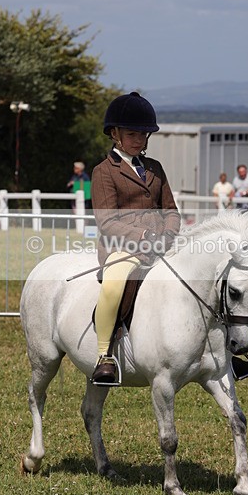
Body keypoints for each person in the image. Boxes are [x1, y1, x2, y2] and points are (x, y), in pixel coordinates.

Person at [90, 92, 181, 385]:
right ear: (114, 134)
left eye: (143, 134)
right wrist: (144, 236)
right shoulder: (104, 172)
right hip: (122, 247)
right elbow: (107, 221)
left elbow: (171, 210)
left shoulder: (154, 168)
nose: (139, 140)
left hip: (160, 244)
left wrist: (168, 234)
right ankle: (104, 355)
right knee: (114, 285)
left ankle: (222, 354)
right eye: (132, 134)